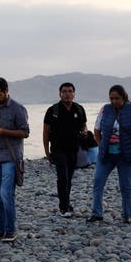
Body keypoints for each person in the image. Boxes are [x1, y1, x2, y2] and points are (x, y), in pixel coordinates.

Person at [0, 76, 29, 242]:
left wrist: (3, 131)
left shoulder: (18, 109)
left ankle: (11, 230)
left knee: (6, 194)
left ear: (6, 91)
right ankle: (0, 229)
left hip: (11, 156)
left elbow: (25, 132)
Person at [87, 85, 131, 224]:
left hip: (126, 155)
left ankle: (127, 214)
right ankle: (97, 213)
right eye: (111, 98)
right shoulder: (104, 110)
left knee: (125, 185)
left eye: (117, 98)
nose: (114, 101)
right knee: (98, 182)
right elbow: (96, 130)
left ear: (123, 97)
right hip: (106, 155)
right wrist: (101, 146)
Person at [42, 82, 88, 217]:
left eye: (69, 91)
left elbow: (84, 125)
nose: (67, 94)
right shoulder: (53, 110)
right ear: (60, 94)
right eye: (64, 91)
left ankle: (66, 202)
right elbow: (45, 132)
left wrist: (84, 132)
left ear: (74, 94)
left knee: (69, 177)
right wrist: (46, 152)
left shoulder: (79, 109)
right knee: (62, 177)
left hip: (73, 149)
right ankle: (64, 207)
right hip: (58, 149)